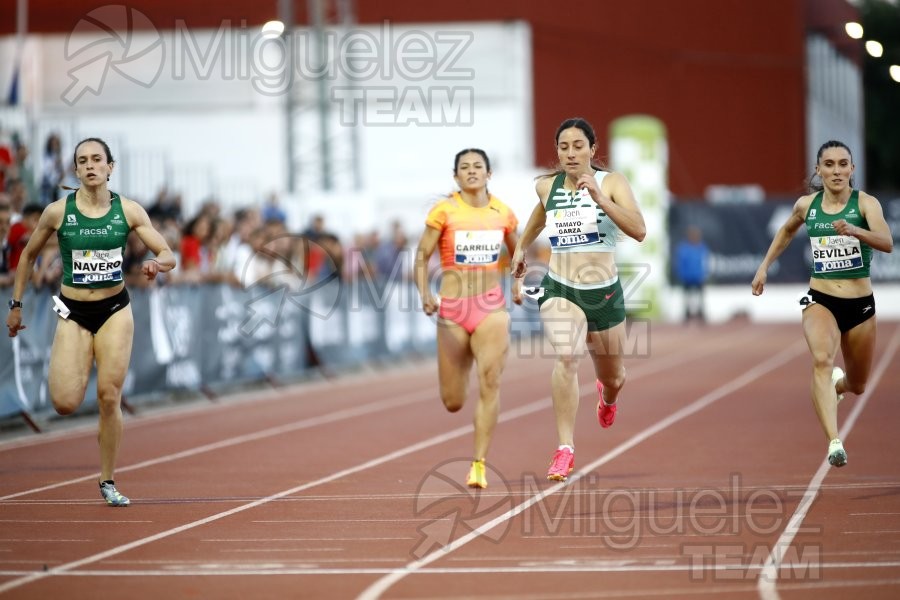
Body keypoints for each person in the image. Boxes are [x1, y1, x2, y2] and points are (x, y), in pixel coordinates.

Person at [6, 137, 176, 506]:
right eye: (82, 160)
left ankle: (107, 480)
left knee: (108, 395)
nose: (90, 165)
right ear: (76, 169)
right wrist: (16, 304)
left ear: (110, 167)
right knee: (65, 403)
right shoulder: (57, 211)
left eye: (97, 159)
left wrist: (155, 263)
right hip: (73, 310)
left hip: (115, 309)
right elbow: (27, 257)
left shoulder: (129, 211)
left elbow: (167, 253)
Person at [511, 117, 646, 481]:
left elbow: (639, 230)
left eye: (577, 146)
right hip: (561, 287)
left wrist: (600, 198)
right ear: (557, 151)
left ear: (592, 149)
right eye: (563, 147)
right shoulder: (546, 186)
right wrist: (521, 249)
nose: (570, 153)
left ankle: (608, 396)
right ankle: (565, 449)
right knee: (567, 356)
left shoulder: (612, 182)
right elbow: (539, 219)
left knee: (614, 376)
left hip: (603, 292)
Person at [752, 140, 893, 468]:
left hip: (860, 306)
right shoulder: (807, 205)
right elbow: (786, 232)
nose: (836, 170)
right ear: (818, 170)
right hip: (822, 299)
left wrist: (855, 230)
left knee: (857, 385)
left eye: (843, 164)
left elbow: (886, 242)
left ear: (852, 169)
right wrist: (763, 267)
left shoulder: (866, 204)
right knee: (820, 359)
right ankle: (834, 442)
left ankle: (838, 386)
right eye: (829, 164)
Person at [414, 148, 522, 489]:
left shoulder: (503, 212)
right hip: (453, 308)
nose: (472, 171)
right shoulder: (444, 211)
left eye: (478, 166)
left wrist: (518, 283)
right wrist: (425, 293)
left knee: (491, 382)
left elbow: (518, 252)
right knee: (453, 401)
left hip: (490, 306)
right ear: (456, 176)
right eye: (465, 167)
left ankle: (479, 464)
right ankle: (459, 387)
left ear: (489, 174)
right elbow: (421, 255)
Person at [674, 225, 709, 323]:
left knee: (701, 297)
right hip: (687, 277)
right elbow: (680, 263)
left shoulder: (702, 247)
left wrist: (705, 274)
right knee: (687, 297)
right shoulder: (683, 248)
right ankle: (687, 314)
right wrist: (681, 274)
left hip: (698, 276)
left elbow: (705, 262)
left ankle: (701, 313)